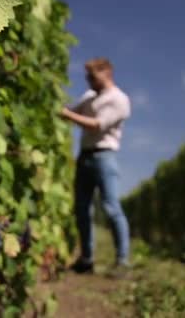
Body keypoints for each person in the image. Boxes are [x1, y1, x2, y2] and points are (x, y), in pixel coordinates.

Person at [59, 57, 131, 276]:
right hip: (85, 156)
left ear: (107, 73)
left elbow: (96, 125)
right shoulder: (90, 96)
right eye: (87, 77)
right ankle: (87, 259)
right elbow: (73, 109)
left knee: (111, 207)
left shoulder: (119, 99)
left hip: (104, 157)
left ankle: (122, 260)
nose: (88, 81)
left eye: (92, 77)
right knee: (82, 209)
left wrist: (67, 114)